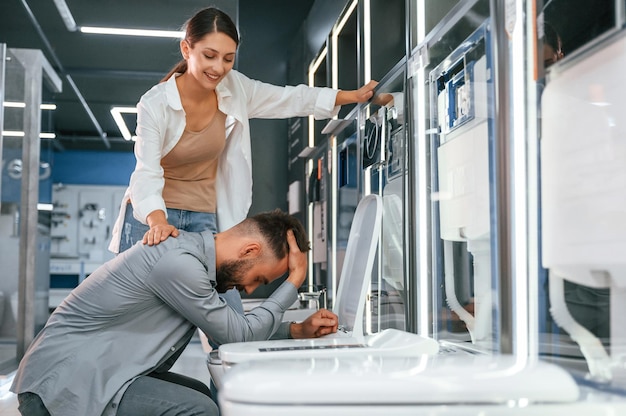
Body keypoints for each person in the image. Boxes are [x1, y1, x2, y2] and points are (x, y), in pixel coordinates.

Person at [11, 210, 339, 416]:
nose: (250, 290)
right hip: (64, 383)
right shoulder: (180, 263)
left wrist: (295, 331)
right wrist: (294, 280)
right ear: (249, 251)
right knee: (198, 409)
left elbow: (233, 331)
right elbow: (239, 335)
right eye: (259, 279)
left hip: (100, 372)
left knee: (196, 392)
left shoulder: (201, 267)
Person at [108, 6, 377, 255]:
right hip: (151, 216)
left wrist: (350, 96)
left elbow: (287, 98)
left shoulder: (235, 88)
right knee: (144, 304)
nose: (218, 68)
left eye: (228, 59)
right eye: (209, 56)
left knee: (220, 299)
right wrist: (158, 222)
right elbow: (147, 172)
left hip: (203, 214)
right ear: (186, 49)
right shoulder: (155, 103)